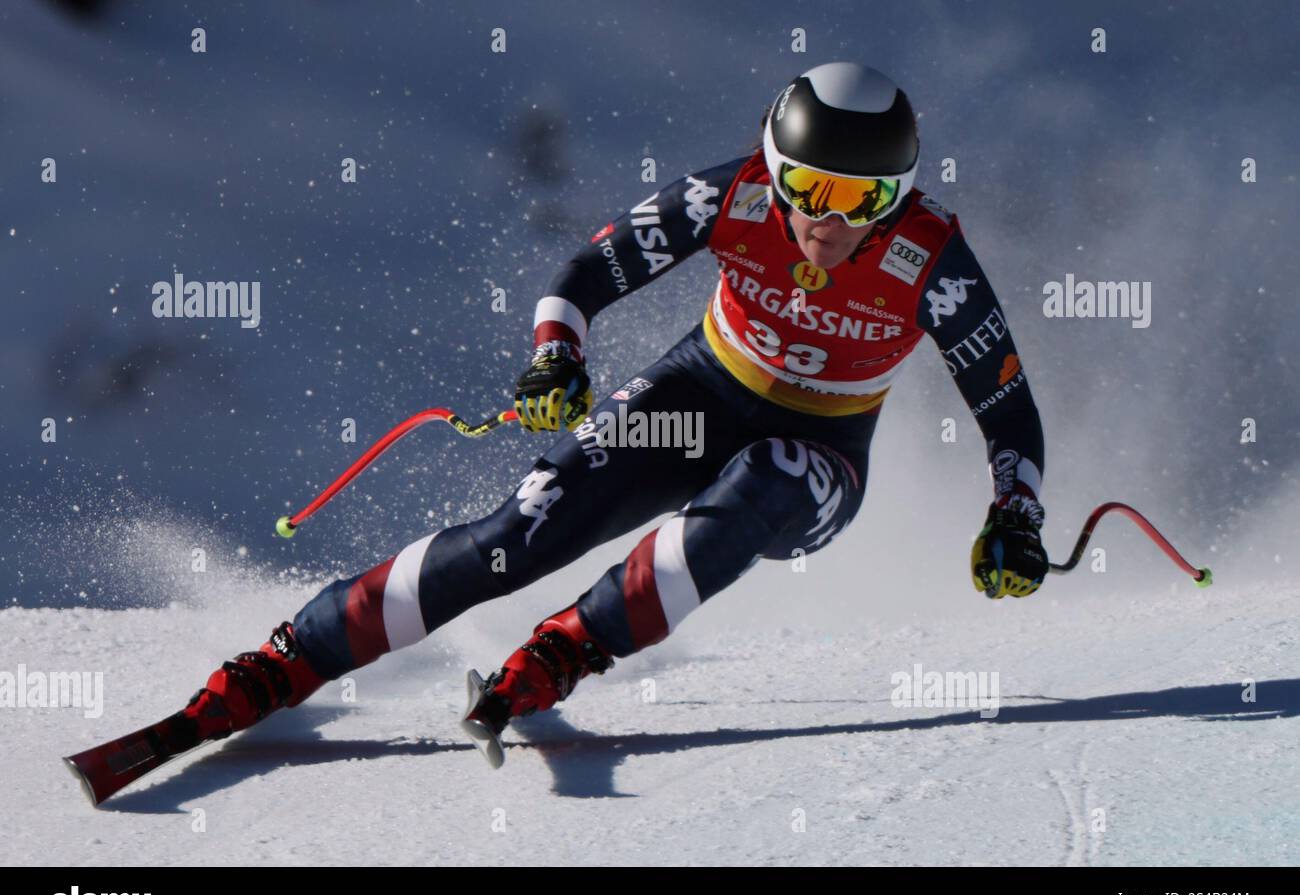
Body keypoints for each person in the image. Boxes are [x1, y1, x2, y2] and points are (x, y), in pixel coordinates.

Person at [178, 62, 1048, 768]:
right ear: (775, 173)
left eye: (863, 199)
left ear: (899, 196)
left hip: (821, 453)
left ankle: (573, 645)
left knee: (762, 482)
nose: (830, 221)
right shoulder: (730, 197)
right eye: (812, 189)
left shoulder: (933, 261)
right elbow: (586, 275)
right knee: (519, 533)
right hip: (697, 398)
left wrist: (1017, 514)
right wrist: (558, 356)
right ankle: (292, 656)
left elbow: (1006, 407)